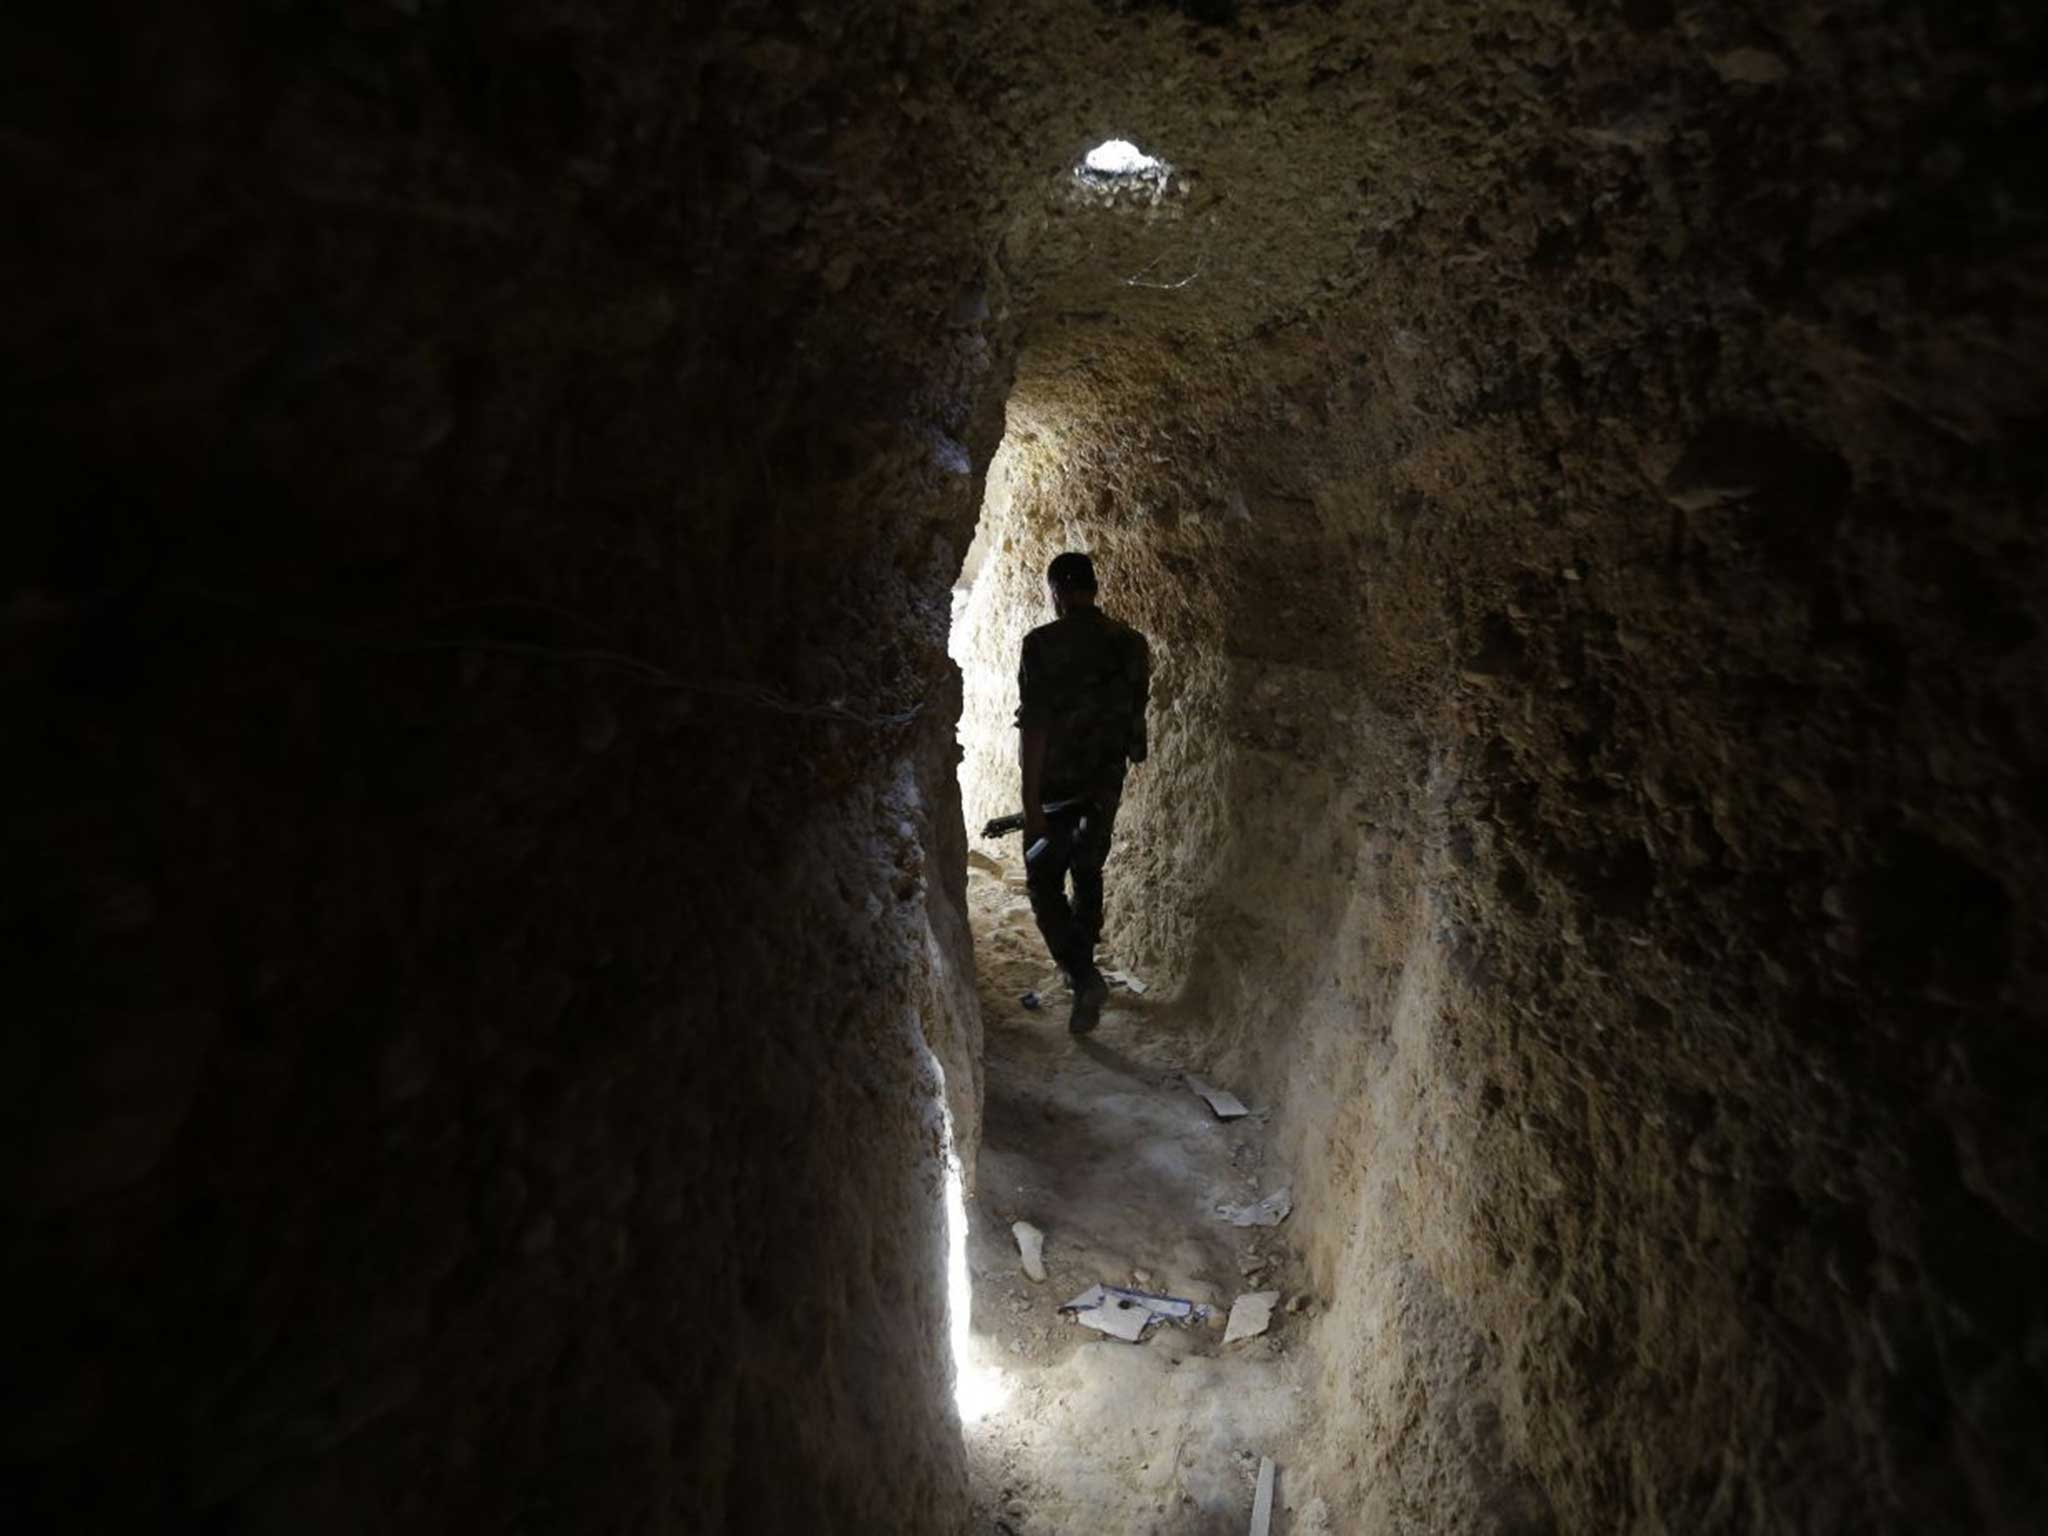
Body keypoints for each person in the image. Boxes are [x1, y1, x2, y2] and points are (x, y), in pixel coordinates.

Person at [1015, 551, 1151, 1034]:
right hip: (1104, 786)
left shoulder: (1042, 645)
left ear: (1056, 592)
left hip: (1055, 792)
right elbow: (1138, 734)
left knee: (1043, 881)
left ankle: (1082, 974)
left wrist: (1031, 805)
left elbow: (1034, 728)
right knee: (1088, 870)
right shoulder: (1132, 644)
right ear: (1094, 587)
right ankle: (1083, 972)